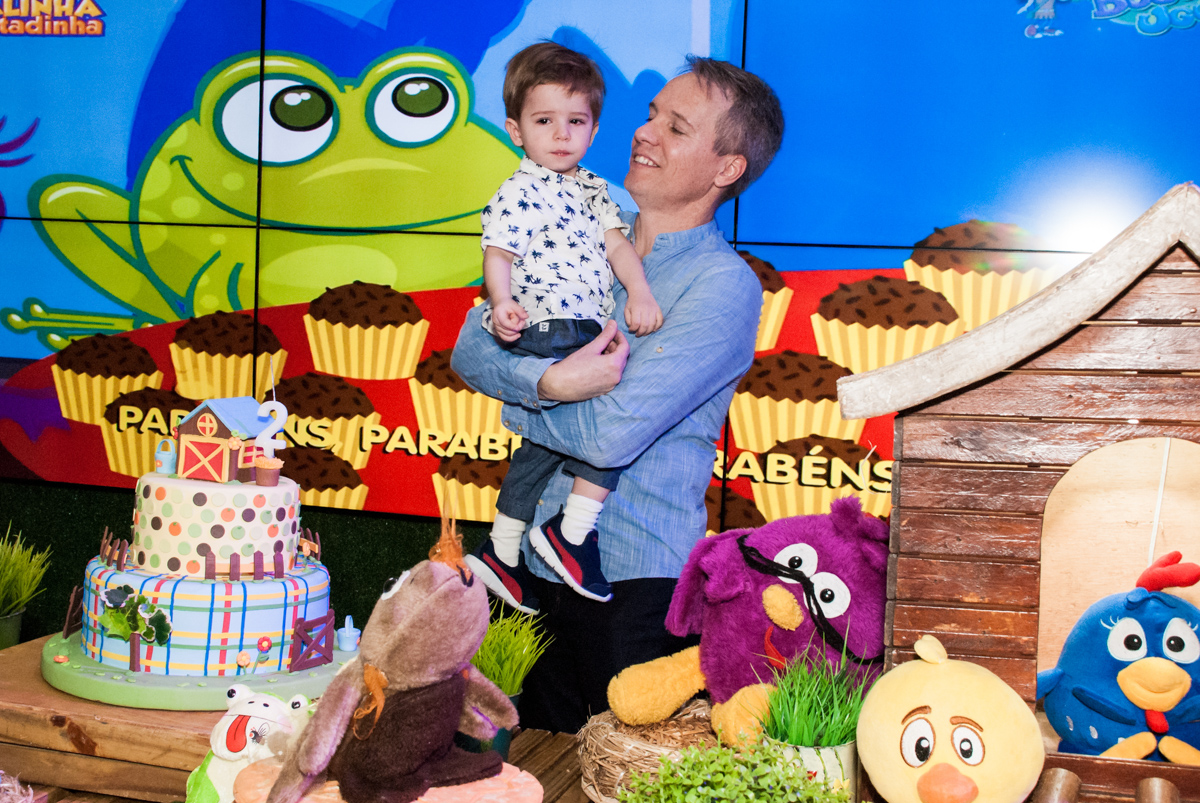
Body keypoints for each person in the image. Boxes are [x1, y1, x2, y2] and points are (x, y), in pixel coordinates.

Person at [452, 55, 784, 733]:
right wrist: (549, 382)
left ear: (727, 168)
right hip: (528, 568)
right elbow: (468, 346)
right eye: (651, 114)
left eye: (676, 127)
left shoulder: (722, 285)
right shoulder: (577, 223)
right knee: (523, 764)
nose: (645, 132)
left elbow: (610, 433)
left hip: (631, 585)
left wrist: (519, 393)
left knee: (618, 773)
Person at [465, 42, 664, 613]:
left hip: (584, 325)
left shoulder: (595, 190)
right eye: (544, 121)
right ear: (515, 130)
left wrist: (640, 292)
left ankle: (502, 549)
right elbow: (498, 252)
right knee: (614, 422)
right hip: (550, 328)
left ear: (594, 130)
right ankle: (571, 532)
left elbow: (619, 249)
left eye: (575, 122)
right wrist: (502, 301)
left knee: (540, 446)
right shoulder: (519, 190)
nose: (561, 134)